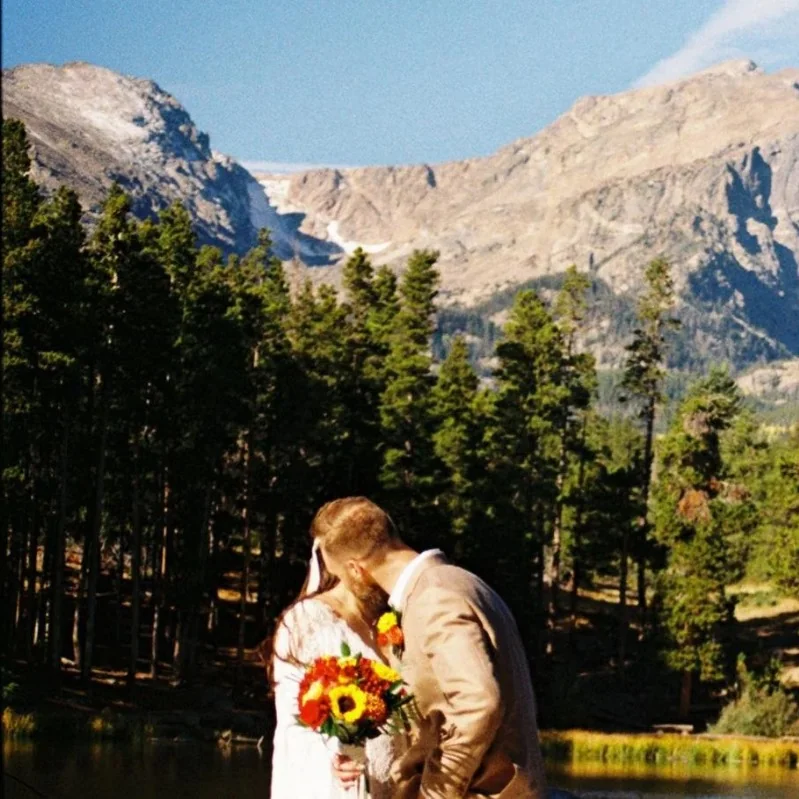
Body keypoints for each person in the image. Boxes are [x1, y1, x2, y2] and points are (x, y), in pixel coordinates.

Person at [314, 497, 548, 799]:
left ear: (356, 569)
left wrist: (435, 792)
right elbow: (443, 709)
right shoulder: (462, 582)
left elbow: (479, 704)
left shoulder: (434, 597)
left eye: (340, 576)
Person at [269, 538, 404, 799]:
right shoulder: (306, 620)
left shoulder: (389, 620)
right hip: (338, 783)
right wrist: (336, 754)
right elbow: (295, 719)